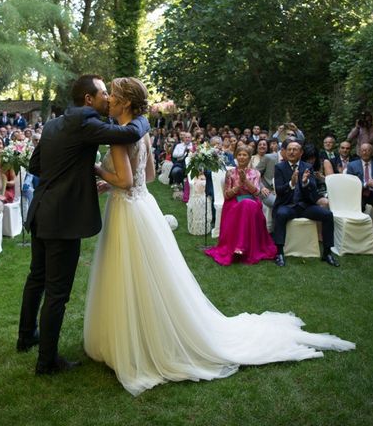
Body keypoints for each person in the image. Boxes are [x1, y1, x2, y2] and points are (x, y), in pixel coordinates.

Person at [84, 78, 354, 396]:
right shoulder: (140, 132)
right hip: (143, 206)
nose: (109, 100)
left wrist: (99, 172)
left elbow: (127, 181)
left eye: (113, 96)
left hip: (128, 210)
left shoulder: (119, 137)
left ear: (126, 102)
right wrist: (113, 182)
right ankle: (146, 331)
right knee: (150, 275)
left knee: (128, 272)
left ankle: (135, 340)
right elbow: (150, 176)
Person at [16, 74, 150, 375]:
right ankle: (47, 361)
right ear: (88, 99)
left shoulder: (53, 124)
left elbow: (36, 166)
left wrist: (70, 171)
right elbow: (128, 135)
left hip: (41, 211)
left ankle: (26, 337)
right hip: (63, 218)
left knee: (36, 278)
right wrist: (145, 120)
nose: (108, 98)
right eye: (104, 93)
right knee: (57, 292)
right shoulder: (85, 122)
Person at [272, 140, 340, 267]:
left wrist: (305, 183)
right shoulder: (279, 167)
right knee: (280, 214)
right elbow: (279, 190)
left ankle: (327, 252)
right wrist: (291, 183)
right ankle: (279, 252)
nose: (291, 152)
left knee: (327, 215)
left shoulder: (307, 167)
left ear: (301, 152)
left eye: (295, 150)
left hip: (305, 206)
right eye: (289, 149)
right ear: (285, 152)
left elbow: (313, 190)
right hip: (288, 205)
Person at [204, 146, 276, 265]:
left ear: (249, 157)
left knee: (248, 204)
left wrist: (245, 181)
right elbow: (227, 195)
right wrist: (238, 187)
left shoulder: (256, 173)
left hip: (252, 201)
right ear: (236, 157)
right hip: (233, 202)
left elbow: (257, 193)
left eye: (245, 155)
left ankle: (241, 247)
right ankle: (240, 247)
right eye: (239, 155)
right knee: (245, 205)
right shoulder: (230, 173)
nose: (242, 157)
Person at [346, 143, 373, 240]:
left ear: (372, 152)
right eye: (363, 150)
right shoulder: (352, 166)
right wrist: (366, 184)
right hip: (358, 194)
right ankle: (356, 232)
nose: (365, 152)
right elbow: (351, 183)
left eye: (368, 150)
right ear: (359, 152)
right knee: (359, 207)